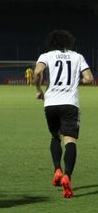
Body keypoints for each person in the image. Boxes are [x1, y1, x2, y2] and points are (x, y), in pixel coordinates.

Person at [33, 29, 94, 198]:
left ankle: (57, 170)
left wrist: (39, 90)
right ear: (69, 42)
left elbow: (37, 72)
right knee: (70, 140)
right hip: (70, 104)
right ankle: (67, 175)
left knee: (55, 137)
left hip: (51, 103)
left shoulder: (45, 56)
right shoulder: (77, 56)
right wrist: (75, 82)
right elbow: (89, 78)